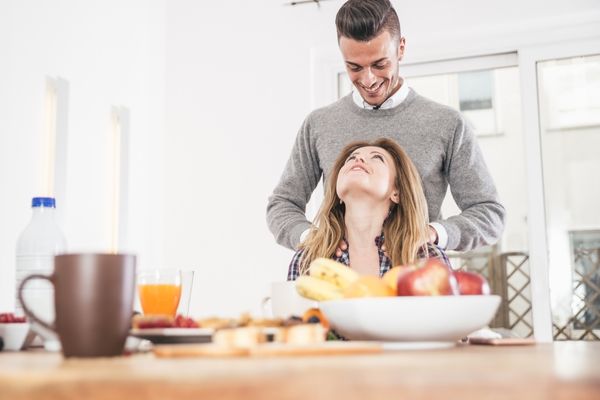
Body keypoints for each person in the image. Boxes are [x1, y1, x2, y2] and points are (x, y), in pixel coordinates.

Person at [268, 0, 505, 255]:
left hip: (417, 283)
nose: (368, 79)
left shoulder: (447, 124)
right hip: (340, 285)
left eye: (380, 64)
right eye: (354, 67)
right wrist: (313, 238)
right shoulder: (318, 125)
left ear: (400, 48)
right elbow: (282, 204)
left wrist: (432, 233)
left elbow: (489, 214)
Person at [288, 138, 450, 280]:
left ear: (396, 192)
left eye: (377, 158)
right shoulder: (308, 259)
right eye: (351, 158)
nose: (358, 159)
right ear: (337, 191)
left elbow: (443, 314)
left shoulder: (426, 257)